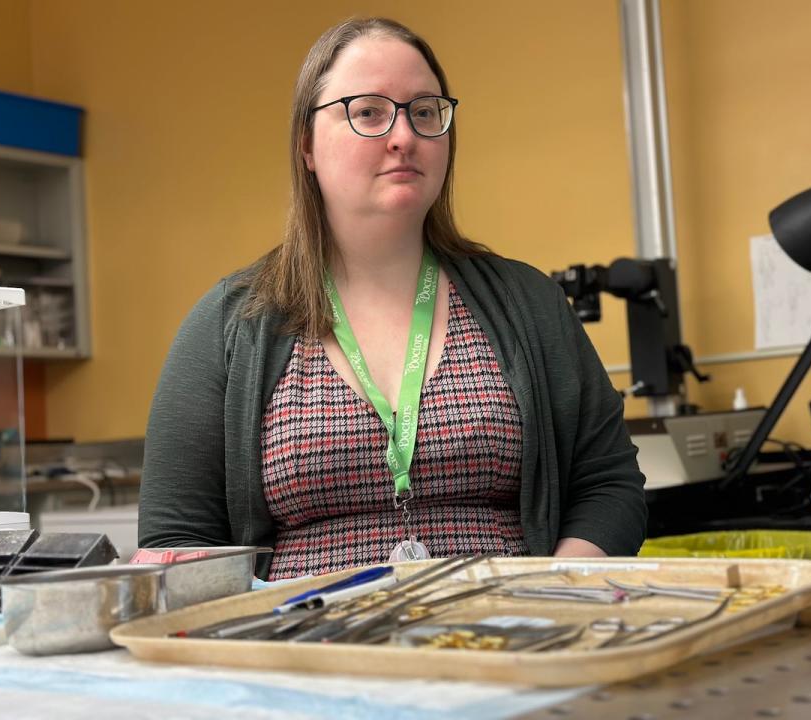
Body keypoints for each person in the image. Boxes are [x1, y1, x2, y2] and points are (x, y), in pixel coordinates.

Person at [139, 17, 646, 580]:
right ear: (306, 145)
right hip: (307, 650)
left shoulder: (529, 303)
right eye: (369, 112)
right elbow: (175, 538)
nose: (404, 135)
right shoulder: (229, 324)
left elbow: (609, 484)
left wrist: (557, 589)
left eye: (424, 111)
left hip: (508, 642)